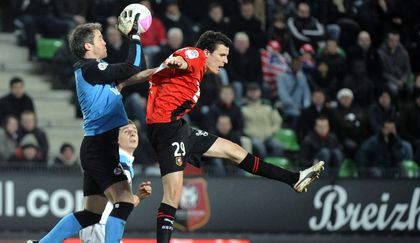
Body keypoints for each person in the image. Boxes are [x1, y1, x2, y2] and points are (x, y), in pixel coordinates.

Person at [145, 30, 325, 243]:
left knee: (235, 152)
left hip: (179, 128)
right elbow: (184, 59)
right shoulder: (195, 55)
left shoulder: (197, 69)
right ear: (207, 52)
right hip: (166, 131)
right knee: (173, 196)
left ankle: (294, 178)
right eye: (222, 55)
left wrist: (123, 82)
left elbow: (158, 72)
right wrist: (177, 62)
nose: (226, 61)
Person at [27, 19, 155, 243]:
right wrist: (134, 35)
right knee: (123, 202)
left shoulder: (98, 77)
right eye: (100, 38)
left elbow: (137, 71)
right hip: (101, 147)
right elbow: (132, 67)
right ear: (88, 46)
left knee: (91, 215)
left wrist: (163, 69)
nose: (105, 42)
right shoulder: (89, 68)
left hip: (96, 147)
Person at [80, 120, 152, 243]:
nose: (132, 134)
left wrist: (138, 197)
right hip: (101, 226)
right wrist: (138, 197)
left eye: (134, 131)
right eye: (127, 131)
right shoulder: (120, 164)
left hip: (96, 225)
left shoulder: (120, 161)